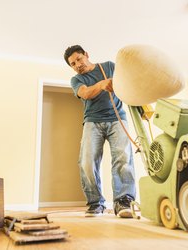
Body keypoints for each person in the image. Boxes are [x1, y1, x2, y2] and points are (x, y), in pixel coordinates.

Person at [64, 45, 136, 218]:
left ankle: (123, 202)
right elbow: (86, 93)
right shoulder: (76, 80)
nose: (77, 65)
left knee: (123, 157)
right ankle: (96, 203)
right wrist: (102, 84)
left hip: (117, 118)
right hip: (92, 122)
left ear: (86, 55)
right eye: (73, 64)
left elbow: (127, 84)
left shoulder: (109, 67)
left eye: (79, 59)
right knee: (87, 162)